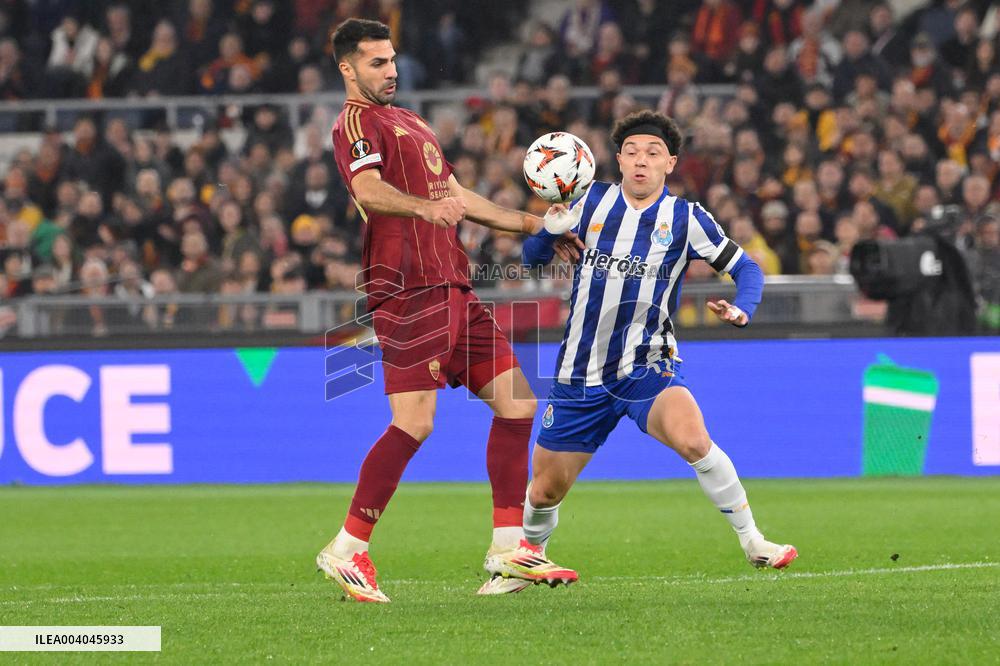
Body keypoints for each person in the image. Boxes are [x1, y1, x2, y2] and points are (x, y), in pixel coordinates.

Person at [315, 19, 580, 603]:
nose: (390, 70)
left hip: (453, 285)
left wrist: (532, 223)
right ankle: (348, 547)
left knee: (517, 403)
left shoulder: (411, 121)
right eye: (376, 63)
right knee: (414, 421)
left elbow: (456, 195)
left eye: (392, 60)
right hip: (408, 288)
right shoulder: (354, 123)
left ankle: (510, 550)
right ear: (347, 69)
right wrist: (422, 209)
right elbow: (368, 192)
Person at [490, 110, 797, 586]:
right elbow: (532, 260)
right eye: (631, 152)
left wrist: (744, 309)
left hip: (646, 366)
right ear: (616, 159)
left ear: (670, 163)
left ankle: (754, 541)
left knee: (694, 439)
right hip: (579, 372)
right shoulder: (588, 200)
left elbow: (747, 268)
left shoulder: (686, 218)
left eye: (652, 153)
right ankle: (522, 564)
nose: (641, 161)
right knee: (547, 489)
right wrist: (549, 228)